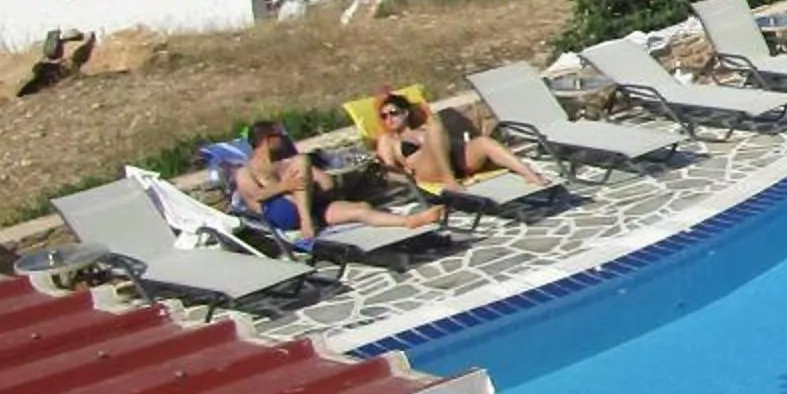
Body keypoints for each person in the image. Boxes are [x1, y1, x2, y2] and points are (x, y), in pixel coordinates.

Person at [235, 122, 442, 238]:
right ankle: (307, 223)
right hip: (282, 213)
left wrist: (312, 177)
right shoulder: (246, 171)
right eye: (280, 135)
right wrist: (285, 186)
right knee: (301, 160)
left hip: (312, 207)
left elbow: (327, 184)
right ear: (268, 140)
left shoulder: (287, 162)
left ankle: (410, 221)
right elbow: (256, 195)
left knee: (361, 208)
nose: (285, 139)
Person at [371, 92, 551, 194]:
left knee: (483, 142)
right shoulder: (388, 140)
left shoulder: (424, 128)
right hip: (427, 172)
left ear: (406, 113)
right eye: (384, 116)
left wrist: (470, 148)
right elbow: (389, 169)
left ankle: (529, 174)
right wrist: (406, 179)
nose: (389, 119)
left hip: (454, 163)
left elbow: (449, 144)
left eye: (393, 113)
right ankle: (450, 181)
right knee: (436, 127)